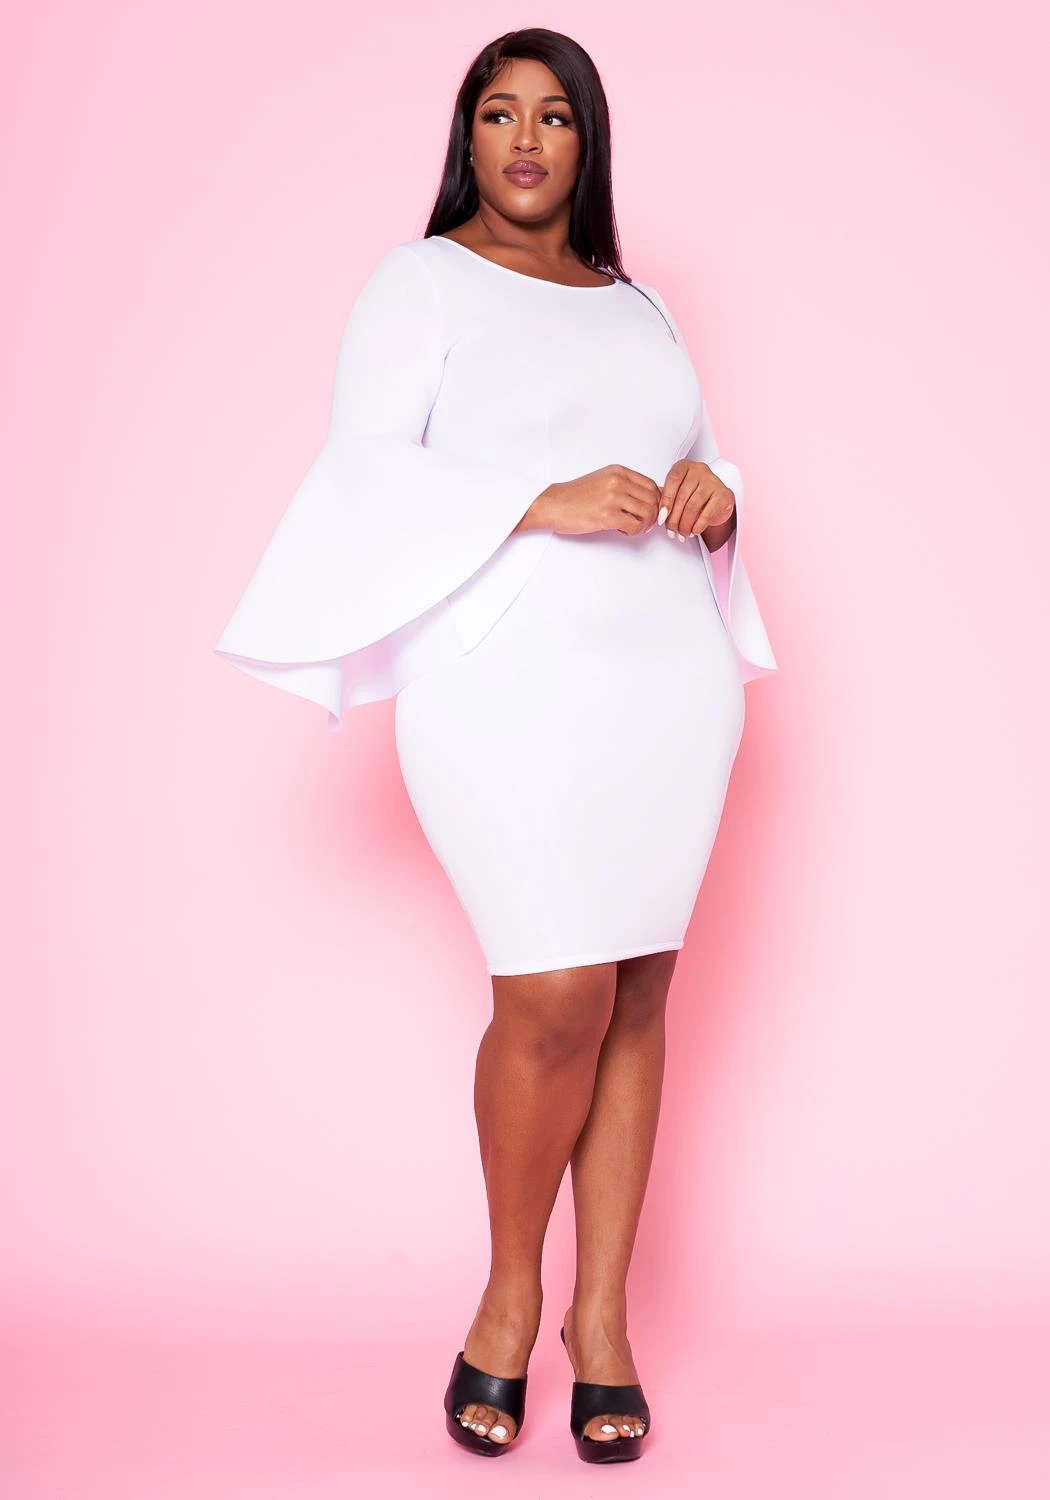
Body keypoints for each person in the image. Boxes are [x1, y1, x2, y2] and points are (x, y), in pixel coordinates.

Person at [214, 27, 777, 1464]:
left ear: (589, 143)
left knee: (637, 993)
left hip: (666, 681)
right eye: (498, 113)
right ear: (465, 137)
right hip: (505, 682)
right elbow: (360, 475)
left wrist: (718, 494)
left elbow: (699, 450)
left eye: (555, 116)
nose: (526, 140)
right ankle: (508, 1296)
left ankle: (605, 1320)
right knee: (554, 992)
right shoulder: (417, 284)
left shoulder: (638, 304)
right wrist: (541, 496)